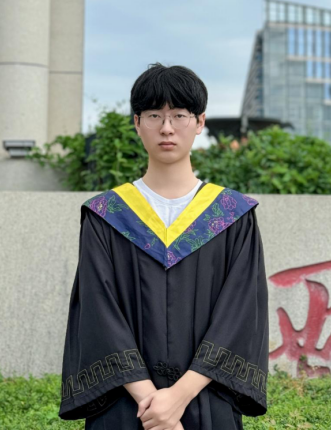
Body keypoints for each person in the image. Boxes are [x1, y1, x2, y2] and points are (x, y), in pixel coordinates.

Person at [58, 62, 269, 429]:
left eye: (179, 115)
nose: (167, 127)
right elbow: (97, 309)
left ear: (200, 122)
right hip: (125, 408)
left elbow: (240, 311)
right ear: (137, 123)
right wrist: (153, 404)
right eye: (154, 115)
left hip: (206, 400)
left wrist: (178, 397)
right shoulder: (106, 215)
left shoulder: (232, 215)